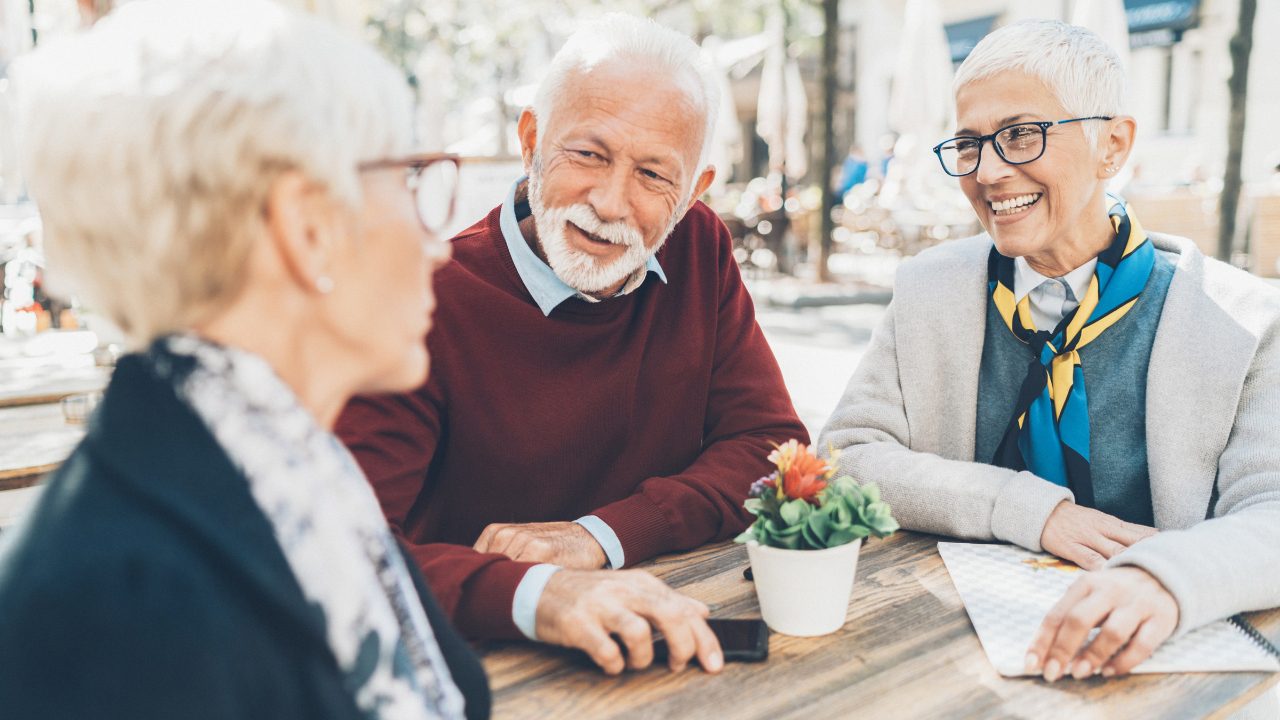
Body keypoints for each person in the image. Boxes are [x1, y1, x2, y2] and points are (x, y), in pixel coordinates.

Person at [0, 2, 488, 718]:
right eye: (410, 180)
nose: (438, 243)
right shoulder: (110, 610)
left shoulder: (296, 477)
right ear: (308, 228)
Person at [336, 14, 807, 675]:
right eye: (587, 154)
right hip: (466, 670)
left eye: (653, 175)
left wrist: (601, 536)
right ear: (530, 141)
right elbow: (340, 551)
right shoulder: (425, 294)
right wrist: (539, 592)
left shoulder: (699, 244)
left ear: (694, 192)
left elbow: (769, 447)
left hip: (668, 646)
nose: (612, 204)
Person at [819, 19, 1280, 686]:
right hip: (945, 660)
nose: (989, 172)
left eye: (1020, 135)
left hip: (1165, 672)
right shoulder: (929, 290)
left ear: (1112, 145)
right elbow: (843, 460)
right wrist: (1028, 510)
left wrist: (1166, 578)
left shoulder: (1246, 321)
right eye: (970, 144)